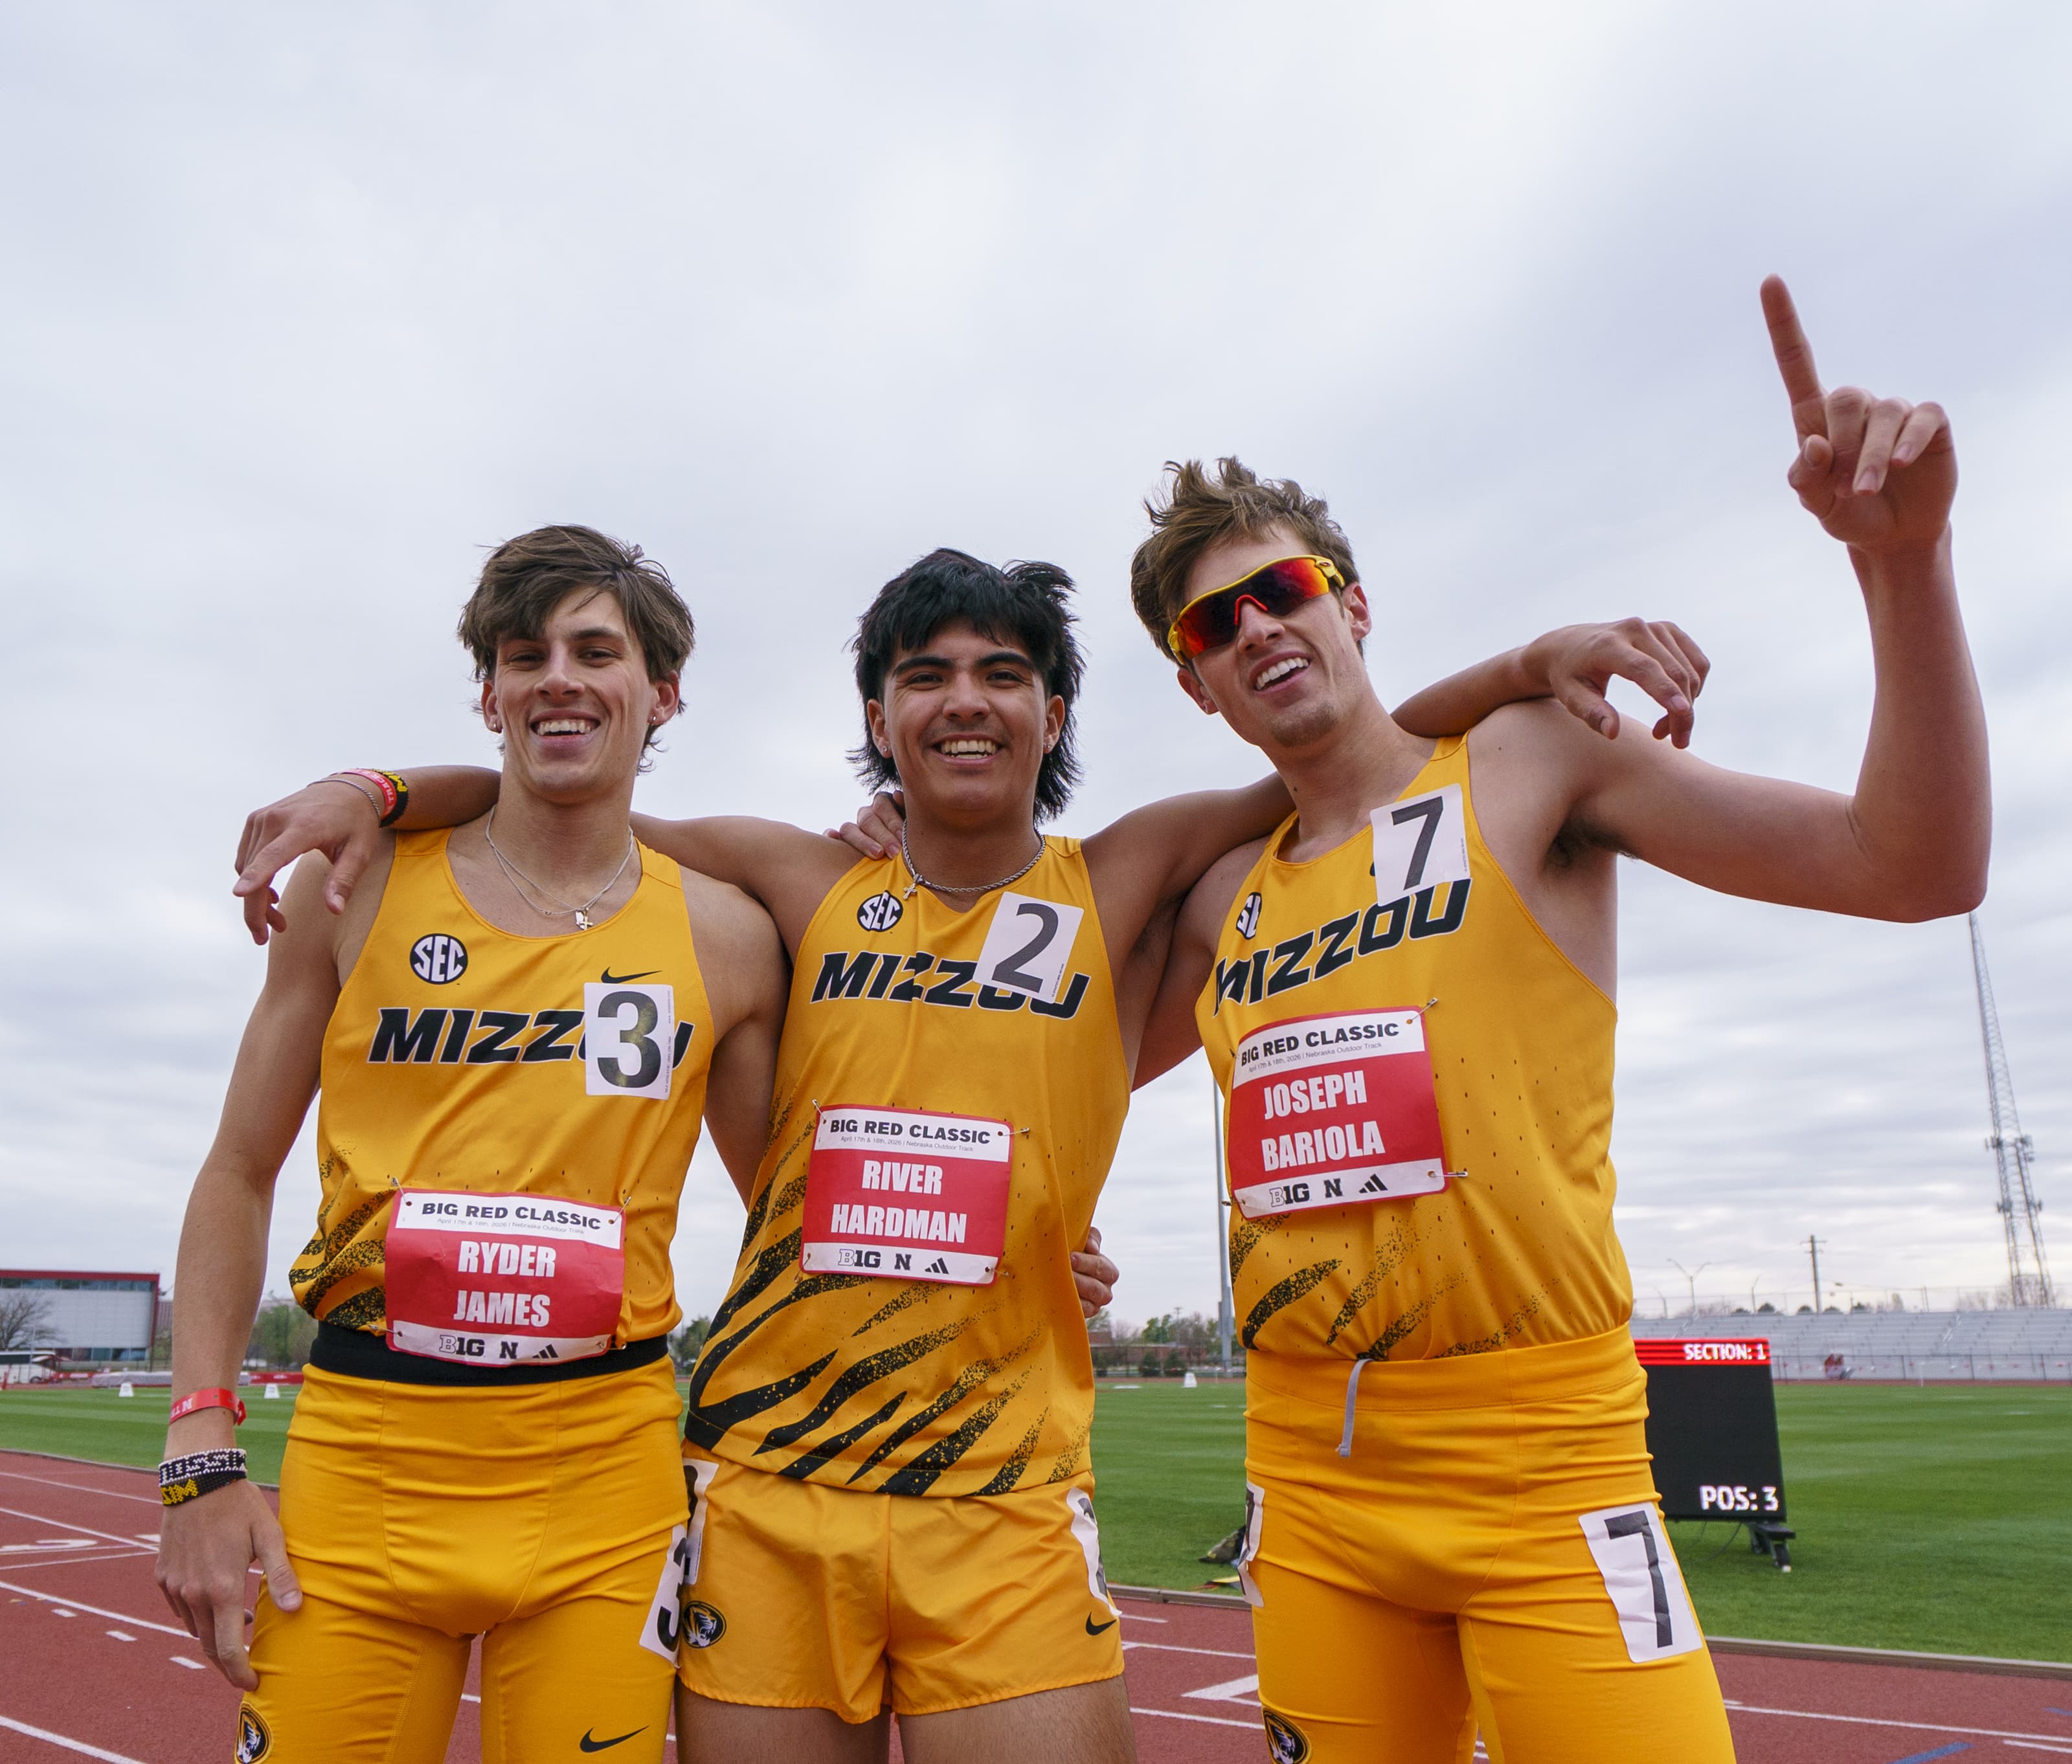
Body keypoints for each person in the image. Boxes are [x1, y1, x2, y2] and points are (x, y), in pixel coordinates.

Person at [236, 549, 1707, 1763]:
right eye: (926, 675)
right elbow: (557, 792)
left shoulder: (1128, 875)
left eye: (1003, 674)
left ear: (1055, 712)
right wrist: (368, 791)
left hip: (1004, 1496)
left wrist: (1524, 668)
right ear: (877, 717)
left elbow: (1344, 755)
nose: (964, 701)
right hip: (767, 1482)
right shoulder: (795, 878)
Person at [1125, 279, 1988, 1763]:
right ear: (1199, 681)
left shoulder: (1528, 763)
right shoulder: (1215, 901)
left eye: (1287, 588)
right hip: (1311, 1483)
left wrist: (1903, 566)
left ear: (1352, 601)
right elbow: (1012, 1059)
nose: (1259, 625)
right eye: (1216, 621)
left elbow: (1913, 867)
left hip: (1547, 1462)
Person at [155, 526, 792, 1764]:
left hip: (605, 1478)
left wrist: (1045, 1242)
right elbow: (238, 1169)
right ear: (490, 693)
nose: (557, 676)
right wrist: (198, 1448)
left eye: (594, 649)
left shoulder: (726, 935)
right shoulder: (358, 883)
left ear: (661, 692)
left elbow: (789, 1217)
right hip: (362, 1468)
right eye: (523, 653)